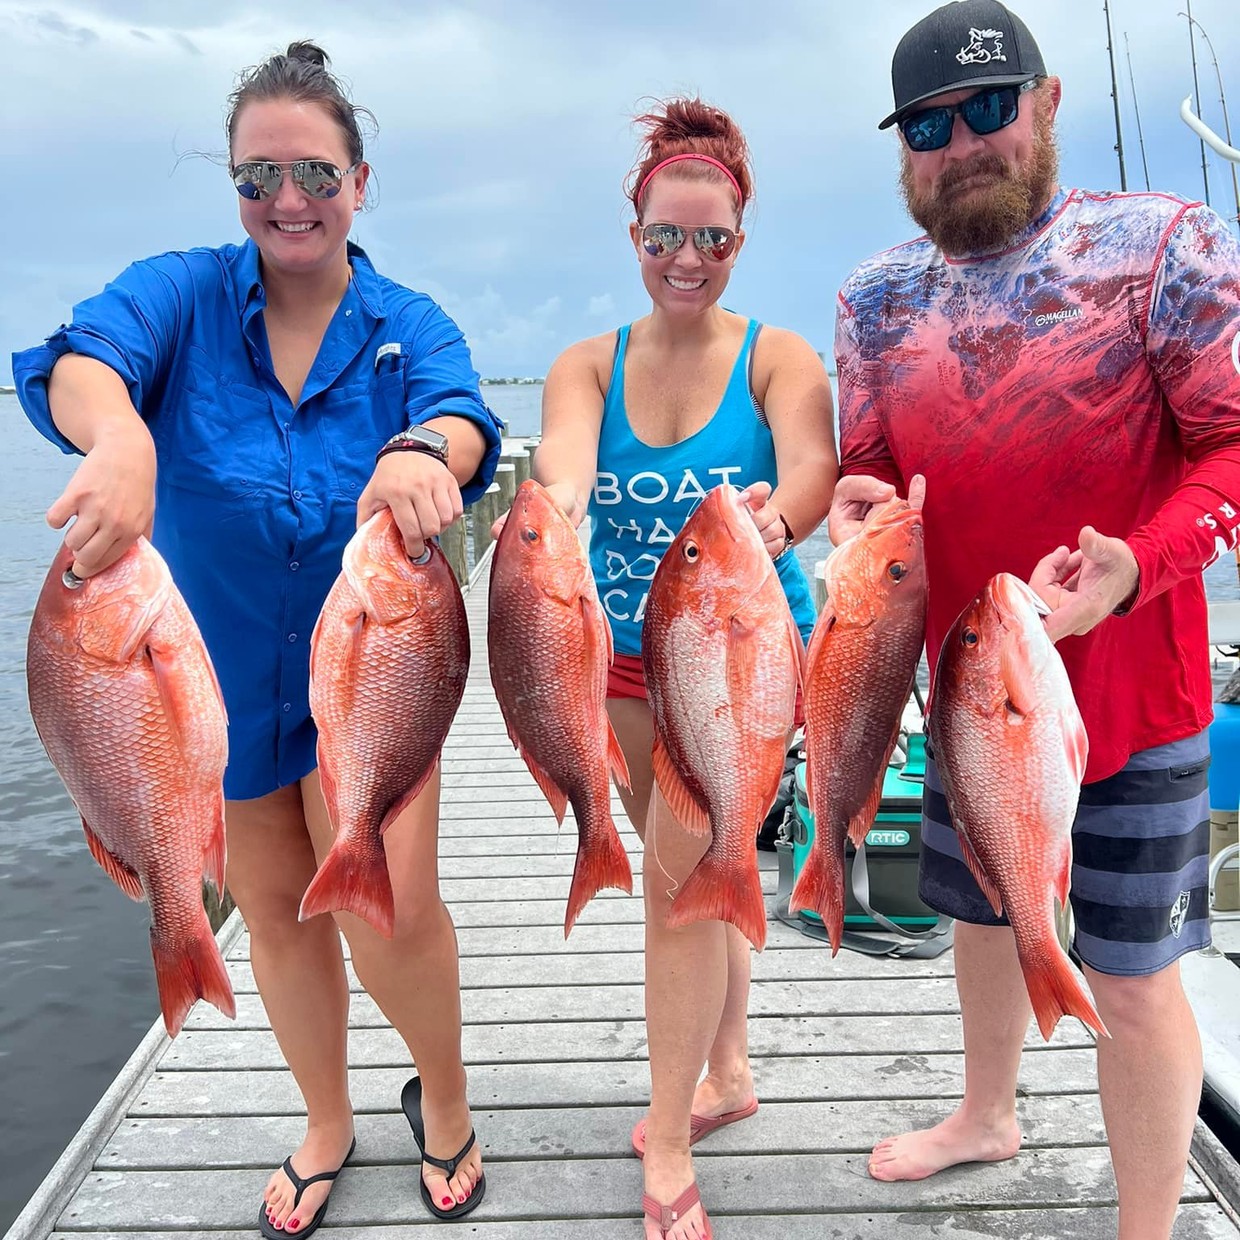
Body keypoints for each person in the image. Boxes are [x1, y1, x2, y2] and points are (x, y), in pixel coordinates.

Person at [13, 42, 503, 1234]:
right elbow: (80, 363)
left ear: (361, 181)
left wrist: (424, 456)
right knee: (277, 914)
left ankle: (443, 1099)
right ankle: (326, 1117)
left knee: (388, 911)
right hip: (211, 687)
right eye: (259, 176)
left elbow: (463, 416)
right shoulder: (180, 294)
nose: (290, 199)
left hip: (374, 674)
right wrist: (119, 436)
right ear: (234, 186)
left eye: (318, 174)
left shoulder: (404, 323)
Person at [830, 3, 1240, 1238]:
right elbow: (868, 470)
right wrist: (851, 510)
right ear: (904, 150)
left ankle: (1145, 1225)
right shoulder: (871, 299)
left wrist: (1143, 564)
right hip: (965, 690)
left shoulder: (1165, 244)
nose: (962, 143)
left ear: (1048, 102)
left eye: (988, 108)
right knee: (980, 912)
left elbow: (1231, 445)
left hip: (1135, 701)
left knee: (1132, 970)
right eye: (930, 125)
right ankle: (986, 1110)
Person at [529, 98, 837, 1238]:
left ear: (740, 241)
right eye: (664, 236)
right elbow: (562, 463)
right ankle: (729, 1072)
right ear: (633, 238)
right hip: (617, 663)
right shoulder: (584, 364)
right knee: (704, 881)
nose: (686, 260)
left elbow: (810, 464)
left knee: (675, 891)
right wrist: (551, 510)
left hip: (741, 662)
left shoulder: (776, 356)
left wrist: (782, 519)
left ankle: (668, 1137)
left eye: (710, 239)